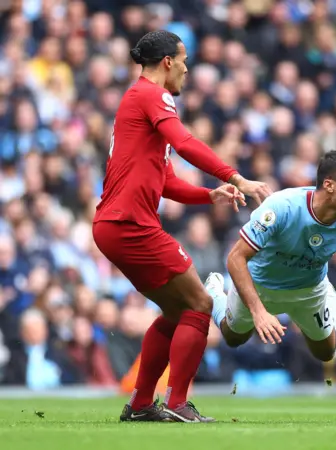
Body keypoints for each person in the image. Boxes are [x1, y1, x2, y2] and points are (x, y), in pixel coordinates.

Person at [92, 30, 272, 423]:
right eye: (184, 59)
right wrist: (234, 175)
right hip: (129, 224)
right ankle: (175, 403)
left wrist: (209, 194)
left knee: (177, 311)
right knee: (201, 304)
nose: (188, 68)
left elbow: (167, 181)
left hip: (117, 224)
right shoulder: (153, 95)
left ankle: (141, 405)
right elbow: (186, 142)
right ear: (168, 62)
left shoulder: (138, 102)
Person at [205, 151, 336, 379]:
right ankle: (213, 292)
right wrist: (259, 312)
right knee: (234, 338)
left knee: (325, 352)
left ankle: (331, 301)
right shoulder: (282, 206)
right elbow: (235, 258)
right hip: (259, 285)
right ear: (329, 185)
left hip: (309, 289)